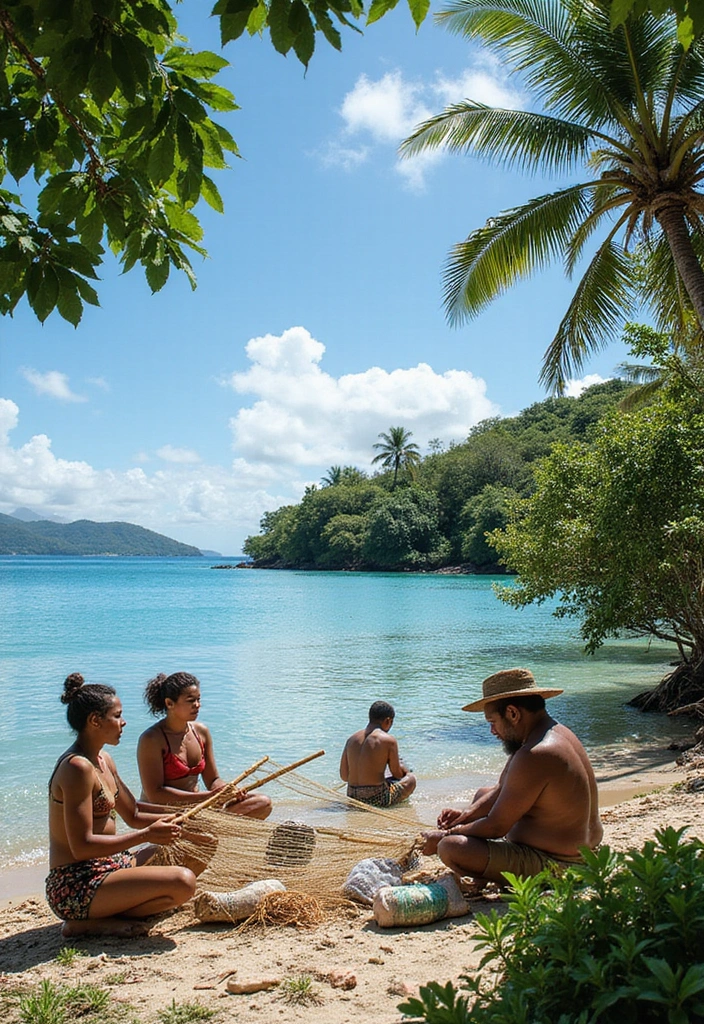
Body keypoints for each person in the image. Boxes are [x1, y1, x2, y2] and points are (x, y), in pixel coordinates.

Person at [47, 673, 196, 938]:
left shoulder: (103, 759)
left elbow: (134, 813)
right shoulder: (76, 768)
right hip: (76, 883)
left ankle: (108, 912)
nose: (123, 722)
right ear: (95, 721)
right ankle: (88, 924)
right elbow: (81, 847)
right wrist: (147, 835)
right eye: (117, 716)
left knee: (198, 848)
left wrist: (181, 816)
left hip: (112, 865)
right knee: (183, 882)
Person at [422, 668, 603, 885]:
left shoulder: (535, 754)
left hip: (562, 864)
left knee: (451, 848)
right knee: (483, 793)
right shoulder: (552, 734)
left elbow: (497, 827)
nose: (492, 731)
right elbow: (500, 789)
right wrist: (464, 816)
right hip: (584, 851)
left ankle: (488, 875)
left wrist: (446, 835)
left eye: (492, 722)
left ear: (513, 713)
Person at [137, 671, 272, 819]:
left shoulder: (201, 732)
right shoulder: (152, 739)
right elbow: (155, 794)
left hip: (196, 808)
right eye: (190, 701)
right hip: (162, 816)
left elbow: (213, 779)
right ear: (169, 703)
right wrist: (207, 797)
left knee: (262, 802)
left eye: (198, 699)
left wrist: (227, 790)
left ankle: (210, 827)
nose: (197, 705)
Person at [340, 700, 416, 807]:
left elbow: (344, 776)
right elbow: (397, 774)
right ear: (388, 721)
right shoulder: (388, 740)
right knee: (411, 779)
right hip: (376, 798)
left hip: (352, 796)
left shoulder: (351, 739)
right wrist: (405, 770)